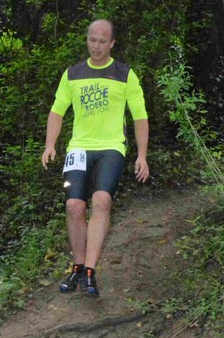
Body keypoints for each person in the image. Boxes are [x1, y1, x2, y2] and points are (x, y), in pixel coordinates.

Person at [41, 19, 149, 297]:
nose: (96, 46)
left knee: (101, 200)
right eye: (92, 40)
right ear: (87, 39)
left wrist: (142, 155)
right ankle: (78, 266)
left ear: (112, 43)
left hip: (111, 148)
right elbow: (57, 111)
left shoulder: (125, 74)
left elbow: (139, 116)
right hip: (78, 148)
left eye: (102, 41)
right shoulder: (73, 74)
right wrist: (50, 144)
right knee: (74, 205)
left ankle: (90, 271)